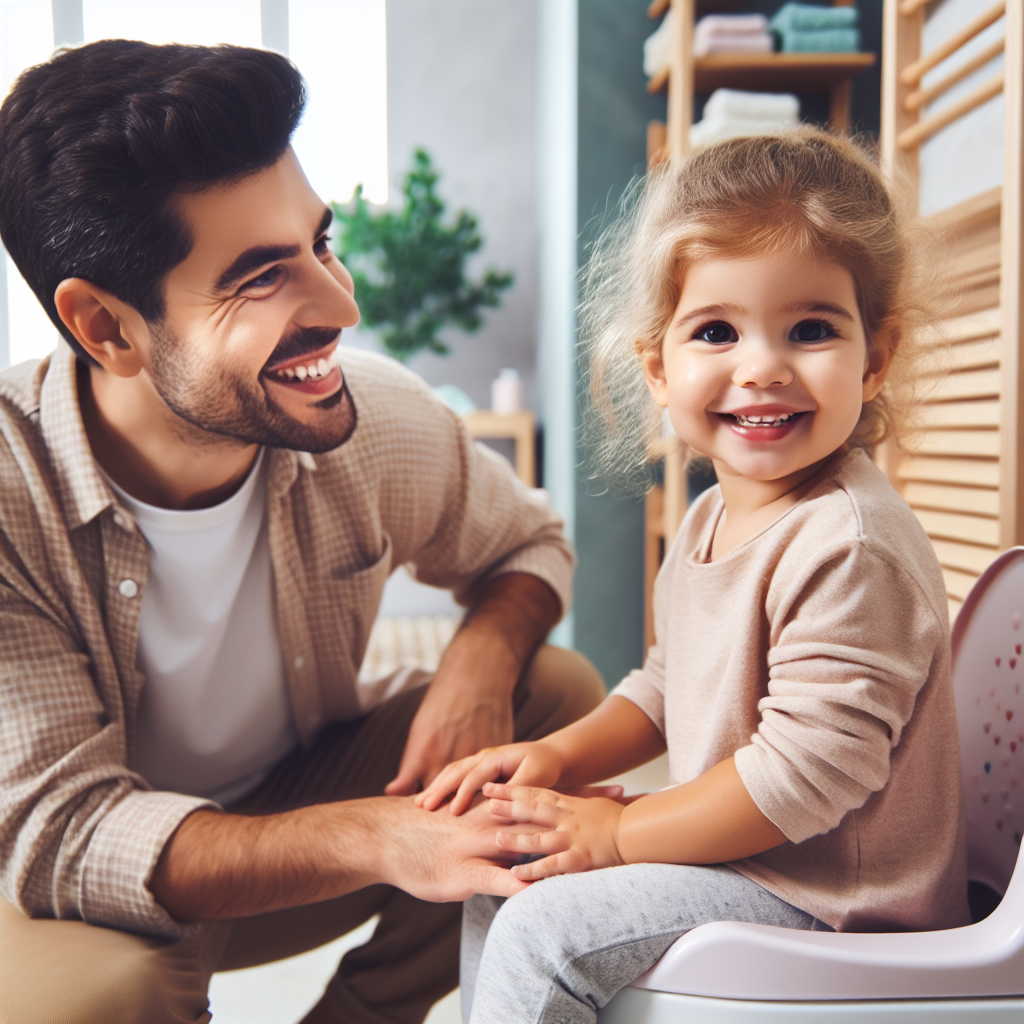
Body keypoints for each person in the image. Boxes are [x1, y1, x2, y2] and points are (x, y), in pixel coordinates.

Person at [0, 40, 606, 1024]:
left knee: (554, 699)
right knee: (89, 1004)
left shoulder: (370, 417)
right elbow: (67, 831)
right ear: (106, 327)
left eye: (320, 244)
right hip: (97, 877)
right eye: (260, 277)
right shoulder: (7, 493)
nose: (341, 305)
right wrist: (380, 836)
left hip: (289, 796)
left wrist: (479, 664)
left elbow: (527, 544)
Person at [419, 129, 972, 1024]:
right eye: (716, 330)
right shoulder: (716, 514)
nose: (761, 366)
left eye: (812, 329)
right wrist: (559, 758)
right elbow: (668, 683)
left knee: (543, 931)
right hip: (770, 858)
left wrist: (621, 832)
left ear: (875, 359)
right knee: (509, 871)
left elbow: (801, 780)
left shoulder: (848, 544)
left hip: (838, 899)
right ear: (658, 368)